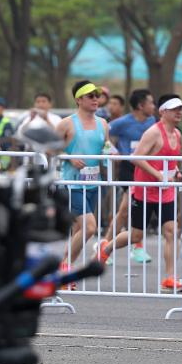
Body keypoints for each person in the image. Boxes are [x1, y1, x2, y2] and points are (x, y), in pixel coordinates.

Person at [96, 94, 182, 291]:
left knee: (171, 231)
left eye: (181, 109)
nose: (179, 112)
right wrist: (158, 175)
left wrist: (176, 172)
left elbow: (171, 159)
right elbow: (136, 157)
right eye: (174, 109)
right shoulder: (153, 132)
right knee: (136, 236)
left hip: (165, 191)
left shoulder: (177, 134)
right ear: (163, 112)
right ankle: (106, 248)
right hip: (144, 190)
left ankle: (170, 277)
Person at [57, 80, 109, 271]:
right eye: (90, 96)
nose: (96, 99)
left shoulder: (103, 123)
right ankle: (64, 267)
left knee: (79, 230)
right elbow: (50, 148)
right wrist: (69, 157)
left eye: (97, 96)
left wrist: (112, 154)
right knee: (89, 227)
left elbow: (106, 148)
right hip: (72, 184)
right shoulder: (66, 123)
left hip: (94, 183)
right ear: (79, 100)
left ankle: (66, 270)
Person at [104, 88, 156, 263]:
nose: (153, 106)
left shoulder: (153, 122)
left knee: (135, 209)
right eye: (150, 103)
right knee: (126, 209)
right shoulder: (122, 122)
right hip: (129, 168)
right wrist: (114, 152)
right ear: (140, 105)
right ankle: (105, 246)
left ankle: (136, 246)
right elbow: (105, 135)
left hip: (147, 168)